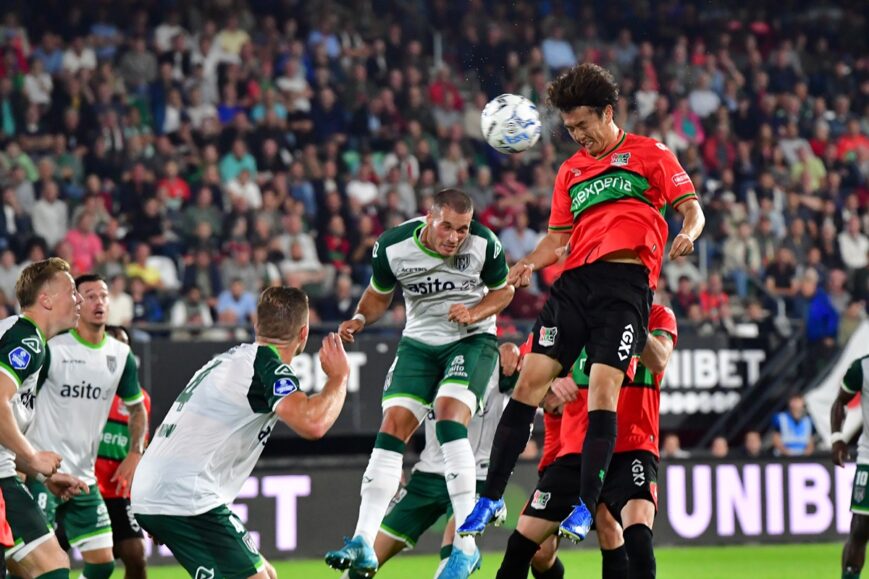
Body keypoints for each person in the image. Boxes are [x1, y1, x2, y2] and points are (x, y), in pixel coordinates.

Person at [461, 63, 703, 542]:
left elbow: (690, 208)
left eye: (583, 126)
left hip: (625, 286)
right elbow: (557, 240)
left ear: (607, 113)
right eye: (569, 129)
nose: (577, 137)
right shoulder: (570, 172)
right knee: (530, 380)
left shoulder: (651, 154)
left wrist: (688, 234)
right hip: (573, 285)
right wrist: (529, 262)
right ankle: (490, 498)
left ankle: (586, 508)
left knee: (603, 387)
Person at [325, 188, 513, 579]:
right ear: (429, 218)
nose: (454, 237)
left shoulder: (484, 244)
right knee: (392, 425)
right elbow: (378, 296)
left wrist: (475, 311)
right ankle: (362, 539)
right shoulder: (392, 246)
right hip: (420, 342)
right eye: (447, 226)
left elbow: (504, 290)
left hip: (472, 339)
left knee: (447, 418)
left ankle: (466, 543)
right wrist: (360, 319)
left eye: (461, 229)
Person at [131, 287, 349, 578]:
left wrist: (161, 504)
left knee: (267, 574)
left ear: (256, 324)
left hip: (161, 489)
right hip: (185, 494)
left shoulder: (223, 361)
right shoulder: (265, 364)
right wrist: (339, 377)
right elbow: (313, 423)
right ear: (303, 334)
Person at [496, 305, 677, 579]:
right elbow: (522, 361)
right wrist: (548, 376)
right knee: (529, 546)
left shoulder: (658, 315)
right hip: (577, 452)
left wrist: (627, 319)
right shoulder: (574, 313)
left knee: (633, 533)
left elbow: (659, 360)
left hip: (632, 447)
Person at [342, 340, 522, 579]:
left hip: (475, 477)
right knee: (364, 561)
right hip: (427, 475)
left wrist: (513, 351)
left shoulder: (490, 359)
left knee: (454, 560)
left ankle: (462, 553)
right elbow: (399, 415)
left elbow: (533, 378)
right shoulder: (424, 363)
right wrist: (394, 463)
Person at [25, 275, 147, 579]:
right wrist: (25, 458)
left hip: (84, 478)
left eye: (103, 296)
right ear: (77, 302)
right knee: (35, 564)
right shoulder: (53, 348)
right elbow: (21, 402)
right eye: (90, 295)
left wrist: (136, 451)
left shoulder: (121, 357)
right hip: (44, 473)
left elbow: (137, 409)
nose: (99, 302)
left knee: (103, 563)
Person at [1, 258, 89, 579]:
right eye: (71, 291)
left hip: (5, 474)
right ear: (46, 299)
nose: (79, 299)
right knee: (52, 567)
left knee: (47, 567)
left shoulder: (23, 337)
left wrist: (42, 476)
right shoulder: (26, 338)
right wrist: (33, 457)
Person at [94, 325, 150, 579]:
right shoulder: (85, 389)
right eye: (116, 343)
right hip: (83, 486)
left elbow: (141, 446)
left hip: (119, 491)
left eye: (125, 345)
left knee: (136, 555)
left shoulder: (140, 401)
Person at [831, 354, 869, 579]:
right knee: (861, 528)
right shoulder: (862, 367)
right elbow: (840, 401)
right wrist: (837, 437)